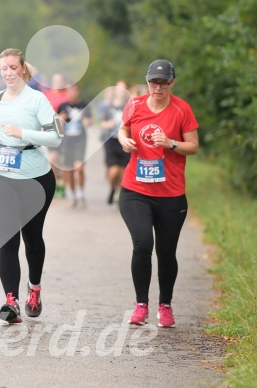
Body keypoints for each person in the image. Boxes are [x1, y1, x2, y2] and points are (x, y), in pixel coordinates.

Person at [117, 59, 199, 328]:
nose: (158, 87)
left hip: (171, 194)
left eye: (164, 82)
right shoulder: (136, 104)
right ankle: (141, 305)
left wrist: (171, 143)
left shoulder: (181, 109)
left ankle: (165, 306)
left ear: (172, 83)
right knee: (142, 244)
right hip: (135, 190)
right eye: (154, 82)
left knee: (166, 252)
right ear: (147, 81)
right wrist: (124, 139)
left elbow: (193, 146)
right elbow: (123, 128)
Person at [0, 48, 62, 324]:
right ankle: (11, 301)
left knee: (32, 237)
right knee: (7, 237)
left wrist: (22, 133)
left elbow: (55, 138)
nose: (8, 73)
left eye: (13, 67)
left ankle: (34, 290)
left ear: (23, 68)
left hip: (35, 177)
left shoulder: (37, 99)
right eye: (3, 68)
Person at [57, 83, 92, 208]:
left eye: (74, 90)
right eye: (70, 90)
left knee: (79, 168)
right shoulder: (63, 106)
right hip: (67, 142)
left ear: (78, 91)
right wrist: (60, 119)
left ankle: (80, 193)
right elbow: (55, 124)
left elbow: (90, 120)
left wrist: (86, 121)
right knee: (69, 170)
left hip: (80, 141)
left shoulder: (84, 105)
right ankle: (72, 194)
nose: (72, 93)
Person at [99, 80, 131, 205]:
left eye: (124, 89)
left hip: (125, 141)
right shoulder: (107, 107)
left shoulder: (130, 107)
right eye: (119, 89)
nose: (121, 92)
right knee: (113, 172)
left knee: (123, 172)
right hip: (111, 141)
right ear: (115, 91)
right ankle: (112, 188)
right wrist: (109, 124)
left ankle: (119, 195)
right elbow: (102, 122)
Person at [43, 73, 69, 197]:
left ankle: (62, 184)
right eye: (56, 81)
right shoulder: (46, 95)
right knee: (53, 158)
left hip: (67, 132)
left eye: (60, 81)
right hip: (51, 130)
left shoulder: (67, 95)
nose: (58, 83)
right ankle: (54, 184)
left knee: (63, 160)